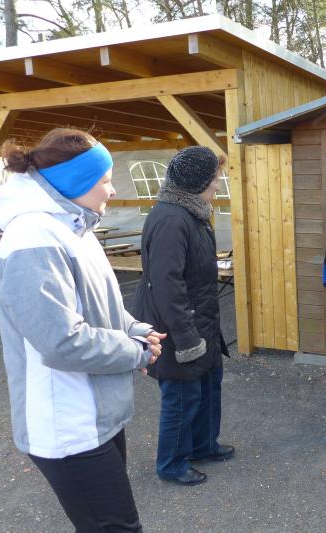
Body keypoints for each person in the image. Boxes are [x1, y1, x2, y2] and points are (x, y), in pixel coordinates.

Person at [0, 128, 165, 532]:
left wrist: (137, 329)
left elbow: (101, 307)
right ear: (76, 181)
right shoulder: (33, 237)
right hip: (66, 425)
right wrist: (135, 350)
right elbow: (62, 342)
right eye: (105, 180)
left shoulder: (75, 228)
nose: (112, 189)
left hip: (94, 415)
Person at [133, 146, 233, 486]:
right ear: (198, 181)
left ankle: (203, 445)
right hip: (176, 327)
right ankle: (172, 463)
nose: (217, 184)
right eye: (215, 178)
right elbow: (166, 284)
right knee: (181, 396)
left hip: (201, 320)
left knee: (207, 386)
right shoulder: (171, 219)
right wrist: (187, 337)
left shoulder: (191, 213)